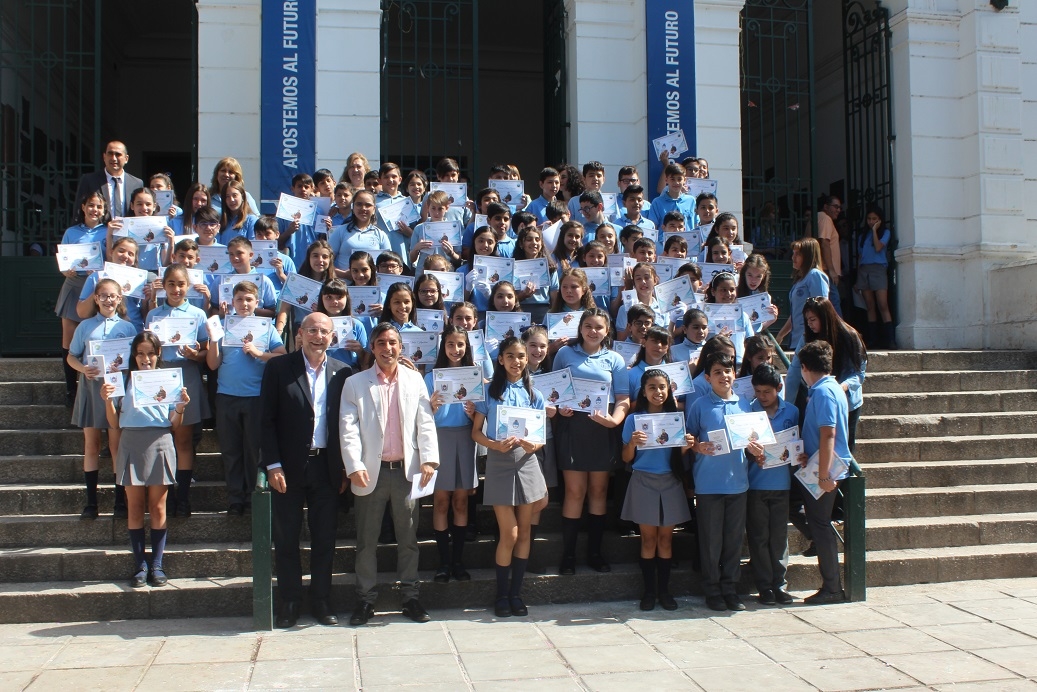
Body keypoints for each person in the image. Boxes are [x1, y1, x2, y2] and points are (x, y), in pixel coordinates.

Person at [339, 323, 439, 626]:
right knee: (366, 542)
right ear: (372, 347)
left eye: (393, 342)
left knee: (408, 539)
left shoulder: (414, 379)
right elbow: (348, 428)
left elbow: (425, 421)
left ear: (401, 347)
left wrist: (429, 460)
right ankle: (365, 600)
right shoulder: (355, 383)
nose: (388, 348)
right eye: (381, 342)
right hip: (371, 472)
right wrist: (354, 465)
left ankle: (410, 598)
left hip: (406, 473)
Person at [259, 312, 353, 628]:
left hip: (326, 467)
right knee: (286, 538)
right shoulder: (278, 368)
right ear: (300, 333)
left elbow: (347, 425)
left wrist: (344, 466)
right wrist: (272, 464)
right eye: (312, 330)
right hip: (287, 468)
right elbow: (265, 420)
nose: (318, 336)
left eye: (324, 331)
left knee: (324, 538)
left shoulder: (343, 372)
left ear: (332, 336)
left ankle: (321, 600)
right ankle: (290, 601)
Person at [101, 331, 189, 589]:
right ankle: (140, 565)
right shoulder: (123, 379)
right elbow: (114, 422)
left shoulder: (169, 380)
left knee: (158, 506)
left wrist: (181, 406)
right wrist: (107, 400)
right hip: (131, 441)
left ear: (158, 353)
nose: (146, 358)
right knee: (135, 506)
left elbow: (174, 424)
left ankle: (157, 564)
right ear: (134, 355)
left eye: (150, 353)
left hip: (160, 441)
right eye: (140, 353)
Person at [472, 336, 547, 617]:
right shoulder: (488, 391)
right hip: (499, 461)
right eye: (511, 356)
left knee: (525, 532)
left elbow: (539, 438)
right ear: (501, 359)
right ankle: (501, 595)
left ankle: (516, 594)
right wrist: (493, 445)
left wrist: (532, 445)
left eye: (521, 356)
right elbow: (476, 432)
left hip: (526, 461)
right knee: (510, 533)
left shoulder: (534, 394)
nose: (517, 361)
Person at [684, 350, 765, 611]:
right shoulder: (699, 406)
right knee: (711, 541)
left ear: (735, 374)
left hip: (738, 484)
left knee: (733, 540)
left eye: (728, 371)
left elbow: (754, 443)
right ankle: (712, 589)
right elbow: (688, 439)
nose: (723, 376)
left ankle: (730, 589)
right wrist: (697, 446)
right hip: (708, 484)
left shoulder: (746, 405)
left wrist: (756, 450)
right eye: (717, 372)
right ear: (707, 378)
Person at [552, 308, 630, 575]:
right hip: (572, 428)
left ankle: (595, 554)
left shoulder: (615, 359)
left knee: (598, 491)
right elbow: (553, 392)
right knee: (575, 492)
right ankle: (568, 556)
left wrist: (614, 421)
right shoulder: (565, 354)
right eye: (588, 326)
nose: (593, 331)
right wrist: (560, 408)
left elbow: (623, 399)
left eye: (598, 327)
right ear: (580, 328)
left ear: (607, 331)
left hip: (602, 430)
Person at [207, 280, 287, 515]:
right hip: (226, 396)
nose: (244, 303)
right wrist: (213, 340)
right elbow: (212, 364)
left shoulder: (266, 327)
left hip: (255, 397)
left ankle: (254, 498)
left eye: (249, 299)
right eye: (239, 299)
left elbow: (282, 356)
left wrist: (258, 353)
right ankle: (235, 499)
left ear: (257, 302)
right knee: (230, 450)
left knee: (254, 450)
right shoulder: (223, 326)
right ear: (232, 301)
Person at [620, 369, 695, 611]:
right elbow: (626, 457)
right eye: (652, 387)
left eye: (662, 387)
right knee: (648, 539)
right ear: (643, 391)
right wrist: (633, 443)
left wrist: (686, 446)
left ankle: (664, 591)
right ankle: (649, 592)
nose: (658, 392)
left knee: (665, 539)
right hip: (643, 481)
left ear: (669, 390)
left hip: (670, 481)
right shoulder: (634, 420)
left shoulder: (676, 418)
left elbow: (677, 456)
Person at [67, 278, 137, 519]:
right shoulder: (85, 326)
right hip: (90, 389)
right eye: (104, 296)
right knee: (92, 445)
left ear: (119, 299)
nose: (108, 300)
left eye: (113, 296)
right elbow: (71, 356)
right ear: (96, 299)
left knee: (116, 445)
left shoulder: (128, 328)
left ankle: (119, 502)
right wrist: (83, 368)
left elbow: (134, 360)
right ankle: (91, 503)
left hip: (116, 390)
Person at [796, 340, 853, 604]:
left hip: (826, 469)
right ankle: (831, 586)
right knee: (816, 522)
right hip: (819, 465)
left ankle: (832, 587)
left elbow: (828, 433)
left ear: (805, 367)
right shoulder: (832, 388)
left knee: (820, 524)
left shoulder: (823, 392)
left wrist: (824, 475)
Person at [424, 326, 478, 583]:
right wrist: (431, 409)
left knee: (461, 501)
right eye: (450, 344)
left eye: (460, 344)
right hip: (439, 438)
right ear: (443, 346)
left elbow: (483, 416)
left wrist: (474, 414)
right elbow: (421, 417)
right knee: (441, 501)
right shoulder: (430, 378)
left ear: (467, 347)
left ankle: (458, 561)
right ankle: (443, 562)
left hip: (465, 437)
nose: (456, 350)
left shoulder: (474, 376)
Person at [746, 363, 798, 606]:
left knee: (779, 537)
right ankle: (764, 586)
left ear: (778, 388)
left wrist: (799, 455)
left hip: (782, 484)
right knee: (759, 537)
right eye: (758, 391)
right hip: (755, 484)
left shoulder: (792, 412)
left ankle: (780, 585)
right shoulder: (748, 412)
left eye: (767, 391)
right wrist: (751, 454)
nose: (762, 396)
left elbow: (797, 444)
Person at [57, 191, 110, 407]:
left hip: (97, 285)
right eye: (91, 205)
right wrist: (66, 271)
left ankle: (96, 384)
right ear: (83, 207)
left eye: (99, 206)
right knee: (69, 339)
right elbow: (63, 262)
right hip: (73, 284)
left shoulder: (108, 231)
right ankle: (71, 389)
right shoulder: (71, 232)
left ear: (104, 210)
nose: (94, 210)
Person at [74, 140, 144, 222]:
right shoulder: (89, 180)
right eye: (110, 154)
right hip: (98, 229)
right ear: (104, 157)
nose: (113, 158)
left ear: (126, 159)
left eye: (118, 154)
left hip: (128, 229)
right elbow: (78, 211)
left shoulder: (136, 183)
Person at [856, 204, 895, 348]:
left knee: (882, 304)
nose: (871, 221)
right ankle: (873, 339)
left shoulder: (885, 233)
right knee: (870, 305)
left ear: (880, 220)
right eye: (869, 219)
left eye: (874, 219)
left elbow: (878, 247)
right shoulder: (862, 236)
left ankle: (890, 340)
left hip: (878, 269)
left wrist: (874, 231)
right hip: (864, 270)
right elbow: (860, 256)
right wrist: (857, 279)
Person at [815, 195, 843, 316]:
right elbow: (824, 243)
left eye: (840, 207)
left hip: (821, 269)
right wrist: (832, 270)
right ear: (826, 206)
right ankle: (838, 329)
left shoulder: (818, 217)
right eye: (835, 206)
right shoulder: (825, 218)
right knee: (834, 305)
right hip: (826, 270)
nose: (838, 210)